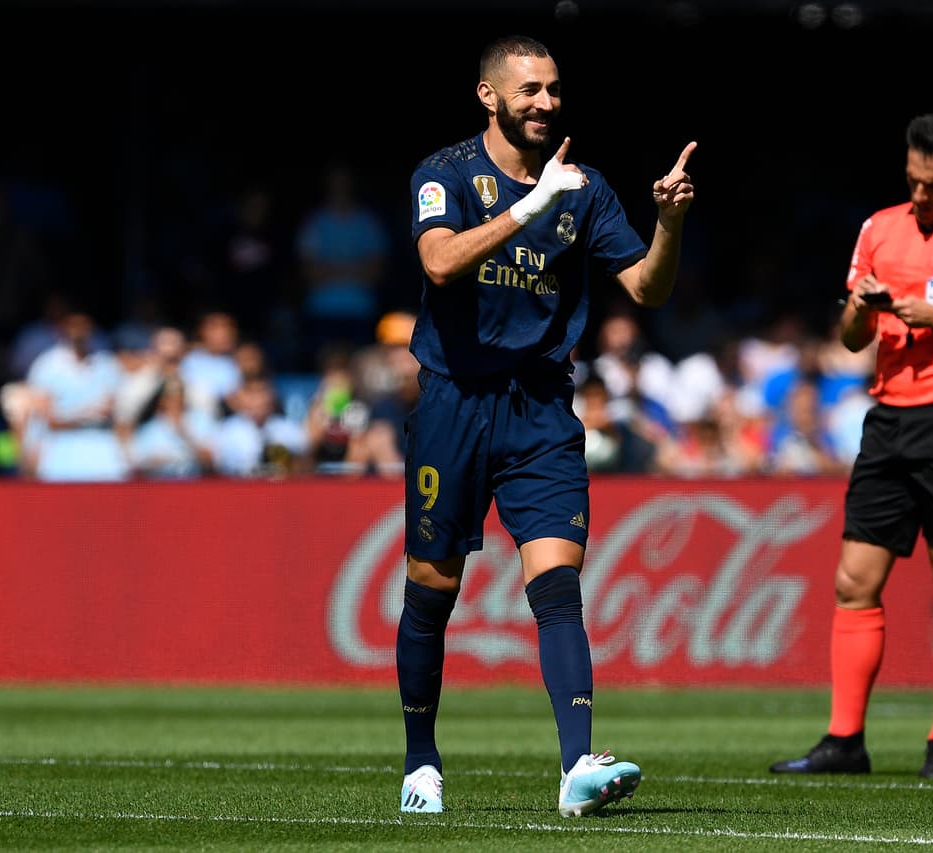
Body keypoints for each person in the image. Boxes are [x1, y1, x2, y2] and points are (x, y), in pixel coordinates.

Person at [395, 33, 695, 816]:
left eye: (554, 89)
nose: (547, 103)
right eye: (530, 90)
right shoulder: (446, 172)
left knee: (558, 585)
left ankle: (577, 767)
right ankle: (420, 762)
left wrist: (668, 225)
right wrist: (530, 205)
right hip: (454, 402)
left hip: (540, 409)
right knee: (432, 590)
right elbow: (439, 263)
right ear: (489, 96)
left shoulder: (586, 188)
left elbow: (647, 288)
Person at [768, 110, 933, 780]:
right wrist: (860, 308)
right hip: (887, 418)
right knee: (853, 580)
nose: (919, 194)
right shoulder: (878, 228)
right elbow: (853, 337)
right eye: (912, 180)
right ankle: (844, 740)